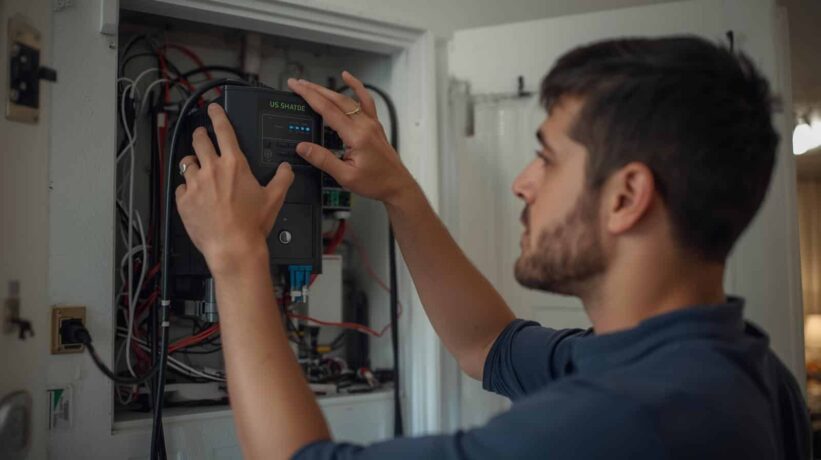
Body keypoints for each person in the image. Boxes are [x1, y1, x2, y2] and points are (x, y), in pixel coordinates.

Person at [174, 36, 810, 459]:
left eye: (547, 158)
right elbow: (488, 345)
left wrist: (235, 260)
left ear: (626, 196)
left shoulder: (626, 422)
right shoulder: (743, 371)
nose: (523, 183)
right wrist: (398, 190)